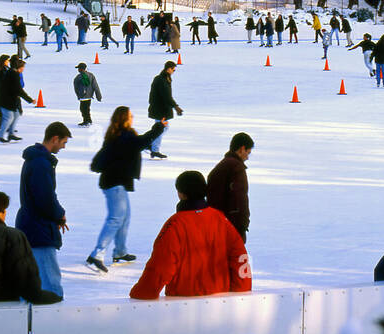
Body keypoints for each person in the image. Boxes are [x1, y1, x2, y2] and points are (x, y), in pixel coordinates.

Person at [129, 170, 252, 299]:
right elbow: (239, 254)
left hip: (183, 302)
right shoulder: (221, 219)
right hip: (219, 301)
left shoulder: (175, 224)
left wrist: (143, 292)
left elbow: (162, 264)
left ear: (181, 194)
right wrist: (242, 292)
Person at [86, 106, 167, 273]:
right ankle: (97, 255)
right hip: (115, 183)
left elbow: (139, 143)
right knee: (116, 219)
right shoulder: (124, 136)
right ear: (124, 119)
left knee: (124, 217)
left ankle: (120, 252)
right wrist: (158, 127)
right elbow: (141, 143)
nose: (133, 117)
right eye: (130, 115)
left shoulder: (118, 135)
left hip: (116, 182)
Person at [15, 122, 72, 298]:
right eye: (63, 142)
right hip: (38, 228)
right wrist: (59, 214)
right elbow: (45, 197)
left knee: (33, 278)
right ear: (54, 138)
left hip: (31, 224)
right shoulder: (41, 163)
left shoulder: (37, 160)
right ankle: (53, 319)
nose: (63, 147)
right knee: (49, 280)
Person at [207, 132, 254, 243]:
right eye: (248, 152)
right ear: (242, 149)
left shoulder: (223, 165)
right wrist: (243, 224)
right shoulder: (236, 168)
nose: (247, 157)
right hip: (231, 226)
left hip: (216, 223)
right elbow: (240, 197)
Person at [146, 61, 182, 158]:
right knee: (161, 128)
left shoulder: (165, 78)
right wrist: (176, 107)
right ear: (168, 68)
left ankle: (151, 144)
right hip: (159, 109)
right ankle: (153, 148)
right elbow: (166, 96)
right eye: (173, 70)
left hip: (161, 108)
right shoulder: (161, 80)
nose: (174, 72)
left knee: (162, 127)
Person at [0, 57, 35, 143]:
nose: (24, 69)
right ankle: (0, 136)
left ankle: (11, 134)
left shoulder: (12, 73)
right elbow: (19, 90)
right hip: (6, 101)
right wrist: (30, 100)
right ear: (19, 67)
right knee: (8, 118)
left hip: (11, 100)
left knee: (16, 115)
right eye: (23, 67)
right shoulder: (13, 75)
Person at [72, 62, 102, 127]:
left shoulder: (78, 77)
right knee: (87, 108)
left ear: (81, 69)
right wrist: (98, 96)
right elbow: (95, 86)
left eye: (79, 68)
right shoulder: (91, 75)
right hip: (89, 96)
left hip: (83, 96)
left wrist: (78, 95)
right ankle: (88, 120)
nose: (78, 70)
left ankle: (86, 121)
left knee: (83, 109)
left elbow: (76, 87)